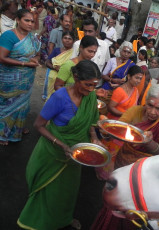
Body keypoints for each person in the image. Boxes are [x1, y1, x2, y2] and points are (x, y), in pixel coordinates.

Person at [18, 60, 103, 230]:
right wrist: (62, 145)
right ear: (76, 77)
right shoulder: (59, 97)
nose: (91, 89)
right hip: (53, 152)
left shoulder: (91, 96)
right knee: (48, 191)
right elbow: (38, 125)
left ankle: (63, 218)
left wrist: (94, 138)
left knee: (67, 192)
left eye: (94, 85)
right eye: (87, 84)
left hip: (76, 154)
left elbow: (92, 121)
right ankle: (40, 220)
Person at [91, 84, 159, 230]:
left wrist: (149, 143)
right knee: (114, 202)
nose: (153, 112)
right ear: (145, 101)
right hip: (122, 164)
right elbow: (117, 128)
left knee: (133, 206)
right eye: (150, 105)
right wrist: (106, 132)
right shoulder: (135, 111)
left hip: (143, 173)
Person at [0, 9, 41, 146]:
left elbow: (37, 53)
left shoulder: (33, 38)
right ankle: (2, 134)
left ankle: (18, 128)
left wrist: (35, 59)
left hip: (26, 79)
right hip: (9, 80)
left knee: (23, 105)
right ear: (18, 20)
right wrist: (24, 63)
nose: (30, 24)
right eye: (27, 20)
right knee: (7, 105)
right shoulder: (8, 36)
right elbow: (2, 57)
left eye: (32, 21)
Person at [44, 31, 75, 100]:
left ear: (73, 41)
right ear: (62, 39)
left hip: (65, 79)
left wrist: (63, 70)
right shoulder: (56, 50)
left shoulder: (74, 53)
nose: (67, 40)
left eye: (69, 39)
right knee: (51, 98)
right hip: (53, 78)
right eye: (65, 38)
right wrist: (55, 67)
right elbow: (47, 62)